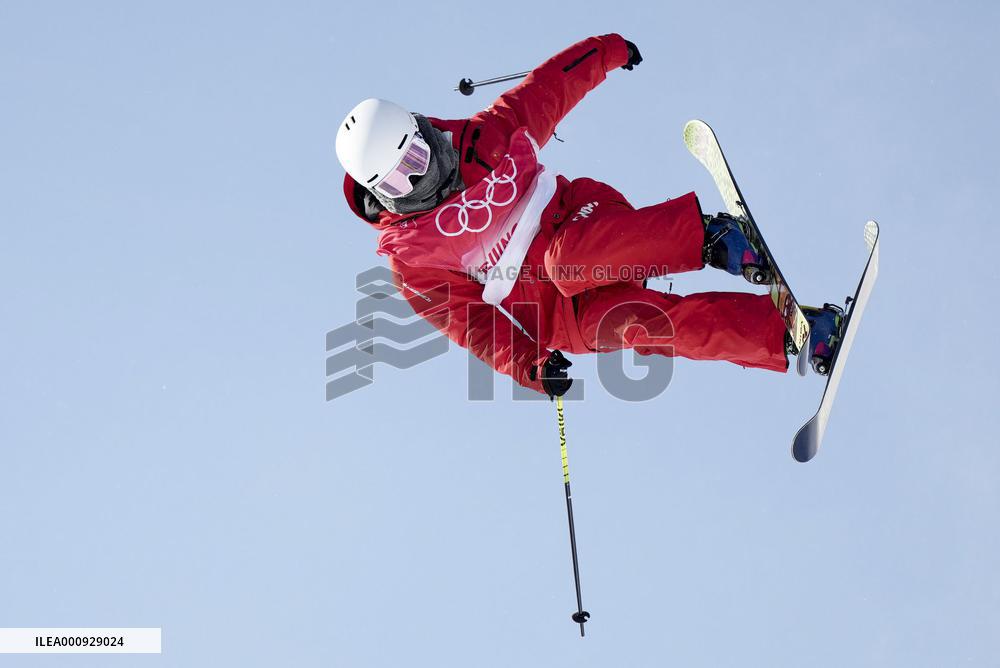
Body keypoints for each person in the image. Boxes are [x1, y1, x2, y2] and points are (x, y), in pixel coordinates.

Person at [336, 33, 840, 397]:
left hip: (580, 222)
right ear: (381, 193)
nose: (419, 180)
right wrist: (532, 367)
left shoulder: (485, 138)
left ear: (424, 133)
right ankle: (794, 333)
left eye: (416, 159)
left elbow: (550, 87)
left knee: (566, 260)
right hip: (557, 316)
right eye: (401, 181)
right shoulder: (413, 259)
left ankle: (710, 238)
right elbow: (473, 324)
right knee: (644, 326)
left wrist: (608, 51)